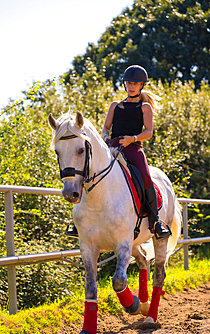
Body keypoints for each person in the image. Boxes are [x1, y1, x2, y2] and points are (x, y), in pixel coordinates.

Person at [66, 65, 171, 239]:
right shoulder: (115, 105)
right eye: (129, 83)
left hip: (133, 147)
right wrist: (106, 137)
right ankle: (79, 221)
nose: (131, 87)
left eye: (135, 84)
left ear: (141, 86)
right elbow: (106, 127)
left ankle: (155, 221)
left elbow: (149, 132)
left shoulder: (145, 107)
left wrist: (133, 138)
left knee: (145, 177)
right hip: (112, 147)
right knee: (88, 174)